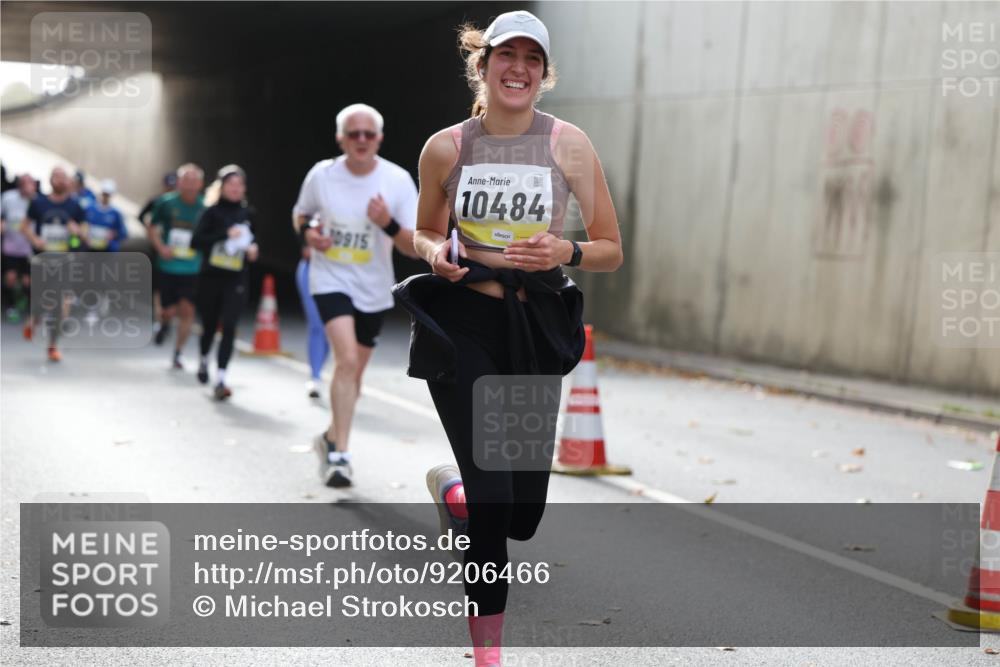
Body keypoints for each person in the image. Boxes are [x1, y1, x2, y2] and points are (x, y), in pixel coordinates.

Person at [397, 11, 623, 666]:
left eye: (532, 58)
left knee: (521, 514)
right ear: (483, 65)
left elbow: (610, 247)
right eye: (506, 56)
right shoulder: (447, 147)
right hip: (463, 322)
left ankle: (456, 493)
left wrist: (567, 248)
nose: (518, 68)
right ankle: (488, 655)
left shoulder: (569, 145)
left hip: (531, 325)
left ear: (544, 75)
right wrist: (436, 252)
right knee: (497, 503)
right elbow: (423, 232)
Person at [292, 103, 420, 488]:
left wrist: (388, 223)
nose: (361, 140)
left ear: (379, 138)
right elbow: (301, 214)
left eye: (368, 134)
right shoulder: (322, 176)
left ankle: (331, 435)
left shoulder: (396, 181)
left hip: (373, 287)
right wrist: (308, 235)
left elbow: (413, 246)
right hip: (329, 278)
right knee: (345, 360)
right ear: (340, 138)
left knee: (355, 373)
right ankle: (340, 456)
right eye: (353, 134)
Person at [190, 165, 258, 400]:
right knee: (209, 324)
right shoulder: (211, 213)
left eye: (240, 185)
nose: (236, 189)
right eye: (231, 184)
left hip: (236, 278)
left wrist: (252, 250)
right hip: (211, 277)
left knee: (229, 325)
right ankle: (203, 359)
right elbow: (196, 242)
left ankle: (221, 377)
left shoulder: (248, 214)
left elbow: (254, 241)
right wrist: (224, 236)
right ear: (222, 187)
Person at [21, 166, 89, 361]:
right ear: (50, 181)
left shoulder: (75, 206)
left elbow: (85, 232)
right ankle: (34, 319)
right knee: (46, 300)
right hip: (43, 260)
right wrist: (35, 240)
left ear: (68, 182)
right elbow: (24, 226)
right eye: (56, 177)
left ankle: (52, 346)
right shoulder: (38, 203)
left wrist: (78, 230)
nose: (60, 181)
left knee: (61, 302)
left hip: (65, 260)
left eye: (63, 177)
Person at [147, 163, 205, 370]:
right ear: (179, 182)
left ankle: (178, 352)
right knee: (168, 311)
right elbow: (152, 227)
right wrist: (161, 247)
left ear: (200, 184)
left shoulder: (205, 207)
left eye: (193, 180)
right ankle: (163, 323)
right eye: (185, 180)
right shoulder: (166, 203)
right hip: (168, 266)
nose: (189, 185)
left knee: (187, 310)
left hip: (192, 267)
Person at [140, 172, 179, 340]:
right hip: (159, 248)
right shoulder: (158, 202)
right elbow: (142, 216)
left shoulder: (184, 204)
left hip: (179, 251)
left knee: (177, 284)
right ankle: (159, 317)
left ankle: (167, 317)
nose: (170, 189)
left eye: (173, 185)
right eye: (168, 186)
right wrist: (151, 230)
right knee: (159, 286)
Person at [1, 173, 38, 323]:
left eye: (30, 184)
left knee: (27, 281)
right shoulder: (8, 197)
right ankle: (11, 306)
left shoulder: (37, 201)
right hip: (11, 246)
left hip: (28, 248)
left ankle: (28, 305)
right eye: (24, 184)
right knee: (10, 278)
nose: (27, 188)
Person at [295, 240, 329, 399]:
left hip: (341, 275)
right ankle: (315, 377)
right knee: (317, 326)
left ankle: (319, 371)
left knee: (332, 329)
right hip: (313, 270)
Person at [82, 179, 128, 252]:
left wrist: (113, 235)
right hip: (89, 248)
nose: (105, 197)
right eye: (104, 194)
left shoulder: (116, 214)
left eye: (108, 195)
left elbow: (122, 233)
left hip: (107, 250)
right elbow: (83, 224)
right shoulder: (90, 209)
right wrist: (84, 233)